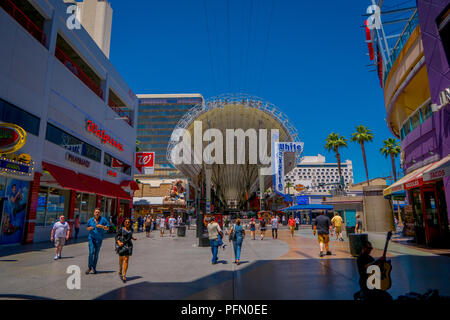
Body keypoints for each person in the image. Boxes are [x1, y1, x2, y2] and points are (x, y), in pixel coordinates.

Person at [85, 208, 109, 274]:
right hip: (91, 238)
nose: (97, 213)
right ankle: (89, 267)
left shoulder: (103, 220)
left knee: (96, 254)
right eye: (96, 212)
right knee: (91, 252)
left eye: (98, 212)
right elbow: (87, 228)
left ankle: (94, 268)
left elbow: (107, 228)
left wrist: (102, 226)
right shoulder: (90, 220)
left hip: (99, 239)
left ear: (100, 213)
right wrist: (89, 228)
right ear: (94, 213)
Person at [115, 218, 137, 283]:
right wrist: (118, 242)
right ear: (124, 223)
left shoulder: (131, 230)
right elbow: (116, 236)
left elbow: (130, 236)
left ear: (130, 223)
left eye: (128, 222)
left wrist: (133, 238)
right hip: (122, 245)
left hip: (129, 245)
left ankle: (124, 275)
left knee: (126, 259)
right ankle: (120, 269)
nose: (127, 223)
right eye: (126, 222)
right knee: (121, 259)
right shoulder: (121, 229)